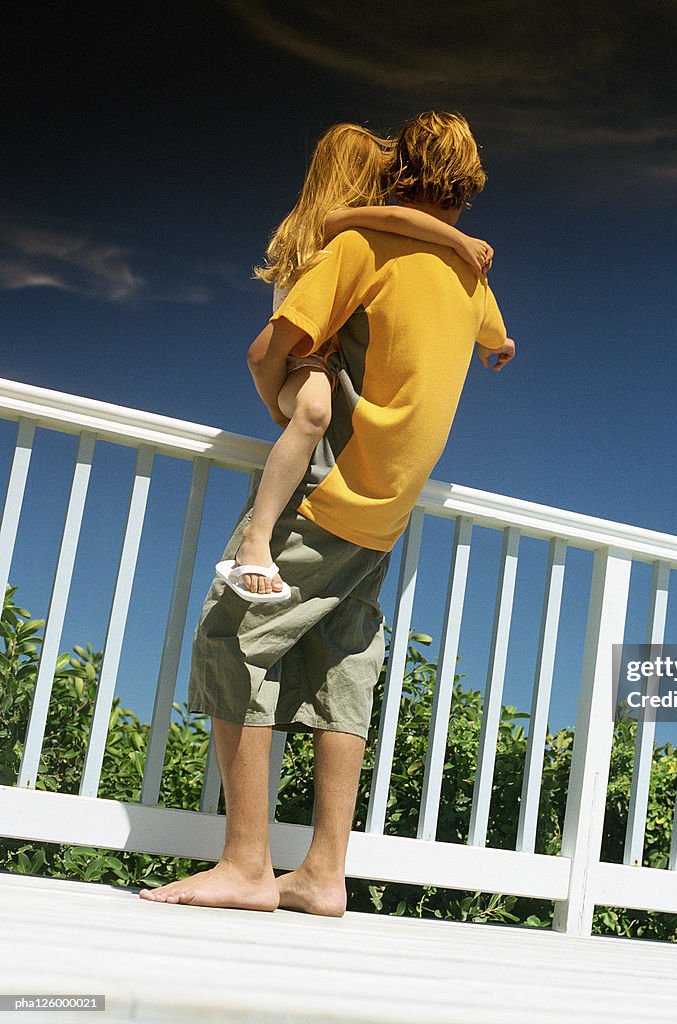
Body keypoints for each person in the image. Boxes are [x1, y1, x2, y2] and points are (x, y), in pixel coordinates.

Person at [140, 111, 515, 915]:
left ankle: (245, 865)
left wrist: (287, 398)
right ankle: (322, 873)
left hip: (329, 486)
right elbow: (498, 346)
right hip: (392, 500)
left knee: (234, 633)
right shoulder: (468, 276)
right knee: (343, 661)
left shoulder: (357, 247)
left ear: (401, 173)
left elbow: (271, 343)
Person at [217, 122, 495, 602]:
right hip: (308, 358)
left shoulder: (340, 231)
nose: (387, 188)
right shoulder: (339, 230)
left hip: (311, 359)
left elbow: (405, 225)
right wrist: (458, 242)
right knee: (311, 415)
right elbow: (403, 221)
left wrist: (498, 338)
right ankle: (257, 539)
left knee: (307, 415)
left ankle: (259, 534)